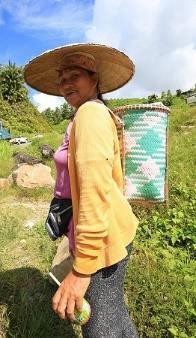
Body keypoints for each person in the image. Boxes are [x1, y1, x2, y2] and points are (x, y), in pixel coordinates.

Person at [24, 43, 139, 338]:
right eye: (62, 79)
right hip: (109, 234)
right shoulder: (89, 116)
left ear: (94, 79)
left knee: (101, 329)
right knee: (114, 317)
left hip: (100, 245)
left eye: (74, 75)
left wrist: (82, 270)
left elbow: (94, 190)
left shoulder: (89, 114)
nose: (65, 84)